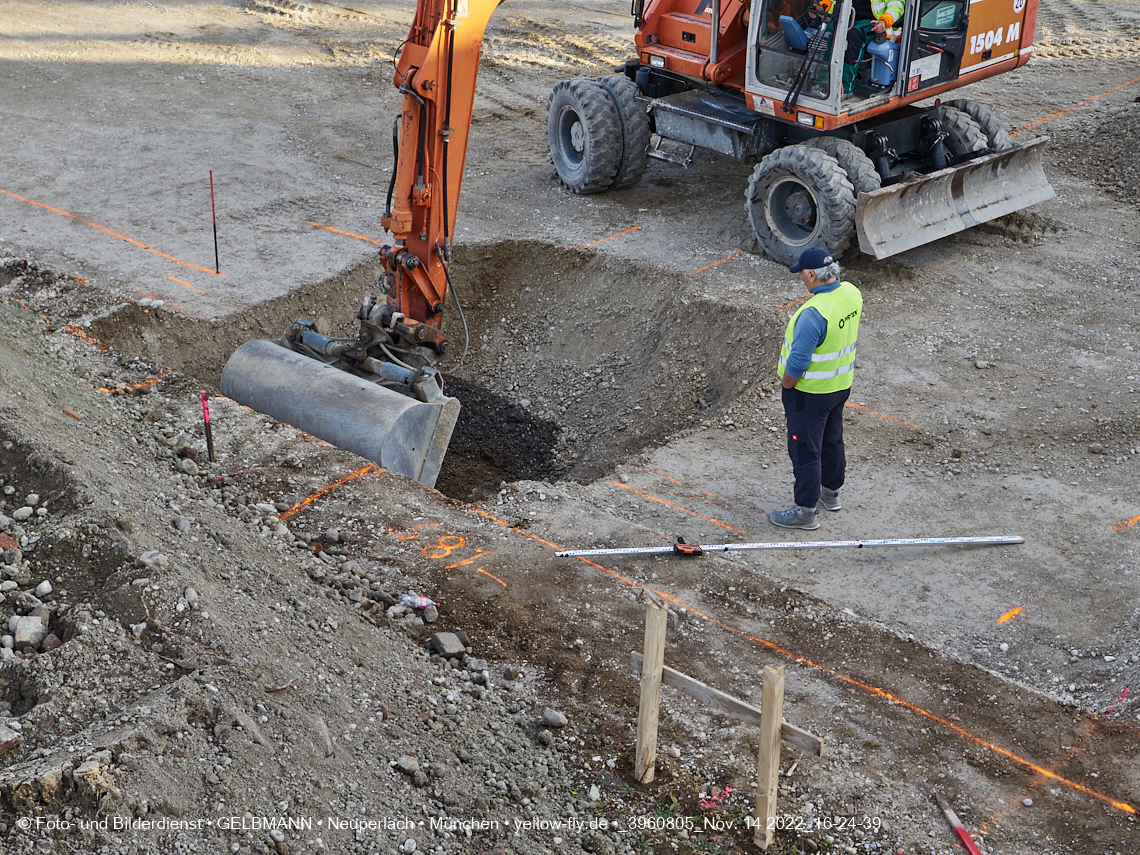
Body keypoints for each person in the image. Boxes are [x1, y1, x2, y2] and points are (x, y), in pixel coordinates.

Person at [770, 247, 863, 530]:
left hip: (809, 393)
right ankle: (830, 494)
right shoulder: (851, 293)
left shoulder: (813, 314)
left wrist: (787, 384)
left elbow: (798, 361)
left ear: (811, 275)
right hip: (840, 385)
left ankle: (805, 512)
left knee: (805, 450)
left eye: (802, 273)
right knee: (832, 440)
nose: (801, 278)